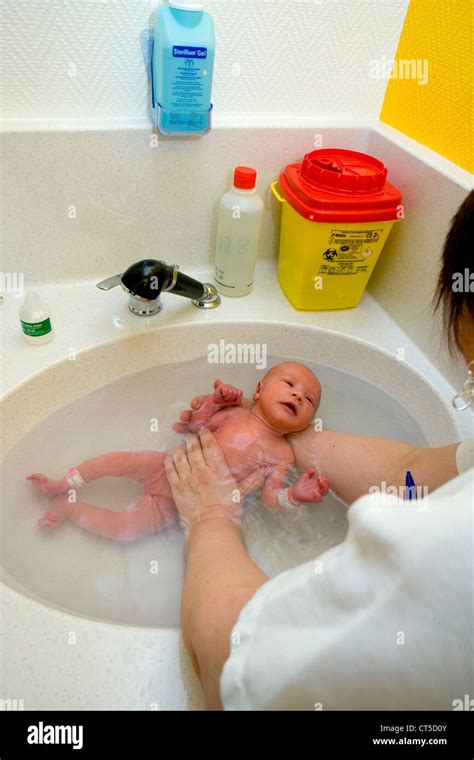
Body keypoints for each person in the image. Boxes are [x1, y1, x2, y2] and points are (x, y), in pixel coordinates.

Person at [164, 191, 474, 710]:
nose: (297, 396)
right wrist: (273, 431)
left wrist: (212, 516)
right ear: (259, 385)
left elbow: (239, 668)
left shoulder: (450, 552)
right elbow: (415, 472)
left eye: (472, 376)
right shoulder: (257, 419)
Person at [25, 363, 329, 539]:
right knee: (116, 460)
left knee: (126, 530)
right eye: (289, 383)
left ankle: (69, 509)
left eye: (309, 400)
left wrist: (292, 496)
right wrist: (214, 401)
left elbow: (268, 498)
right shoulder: (235, 411)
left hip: (178, 506)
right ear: (259, 390)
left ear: (307, 422)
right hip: (165, 464)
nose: (297, 395)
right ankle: (63, 483)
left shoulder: (283, 456)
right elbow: (196, 425)